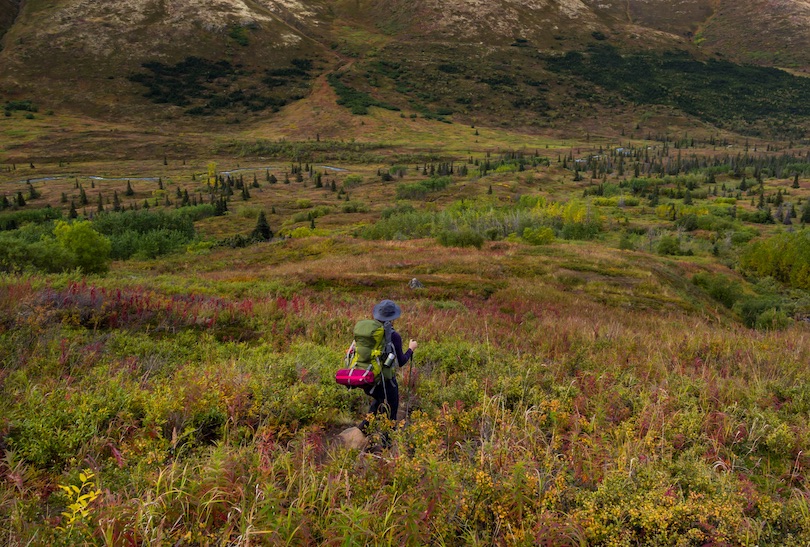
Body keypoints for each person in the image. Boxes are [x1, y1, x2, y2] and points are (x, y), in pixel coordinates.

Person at [359, 299, 417, 434]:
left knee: (378, 401)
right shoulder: (393, 336)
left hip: (368, 378)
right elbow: (401, 361)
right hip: (385, 381)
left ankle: (363, 431)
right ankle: (387, 444)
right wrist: (411, 349)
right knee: (391, 412)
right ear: (393, 318)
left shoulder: (368, 333)